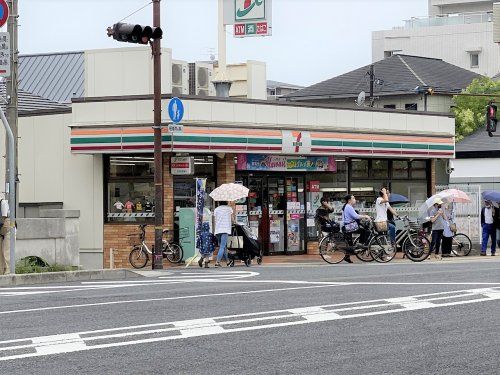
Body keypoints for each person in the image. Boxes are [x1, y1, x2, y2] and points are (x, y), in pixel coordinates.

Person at [342, 194, 372, 263]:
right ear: (349, 200)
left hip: (347, 226)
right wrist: (365, 216)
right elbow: (355, 216)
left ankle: (347, 257)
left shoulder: (347, 206)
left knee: (350, 243)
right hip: (349, 226)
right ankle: (360, 244)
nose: (355, 200)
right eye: (353, 198)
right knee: (364, 231)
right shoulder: (349, 207)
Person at [214, 201, 233, 267]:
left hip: (218, 230)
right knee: (222, 246)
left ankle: (227, 261)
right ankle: (217, 262)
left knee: (223, 246)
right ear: (226, 202)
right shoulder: (229, 209)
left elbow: (215, 219)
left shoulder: (216, 209)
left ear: (219, 202)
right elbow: (232, 219)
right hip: (225, 229)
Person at [0, 198, 10, 275]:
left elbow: (4, 217)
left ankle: (8, 270)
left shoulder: (2, 203)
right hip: (3, 228)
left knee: (6, 251)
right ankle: (1, 271)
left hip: (8, 228)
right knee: (1, 252)